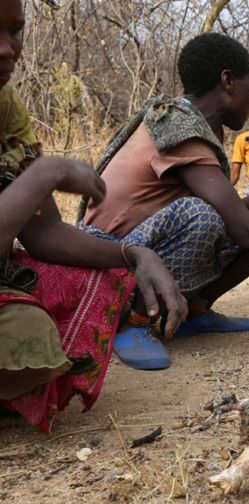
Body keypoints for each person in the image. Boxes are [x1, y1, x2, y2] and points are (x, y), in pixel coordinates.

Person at [81, 33, 249, 370]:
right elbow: (243, 229)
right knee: (201, 215)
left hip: (145, 243)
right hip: (110, 262)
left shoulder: (198, 125)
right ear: (228, 81)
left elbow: (233, 210)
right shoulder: (179, 129)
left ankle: (194, 309)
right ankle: (132, 321)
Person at [0, 0, 186, 431]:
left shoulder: (5, 105)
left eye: (15, 30)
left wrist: (133, 254)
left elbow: (43, 231)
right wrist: (48, 171)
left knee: (73, 298)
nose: (7, 49)